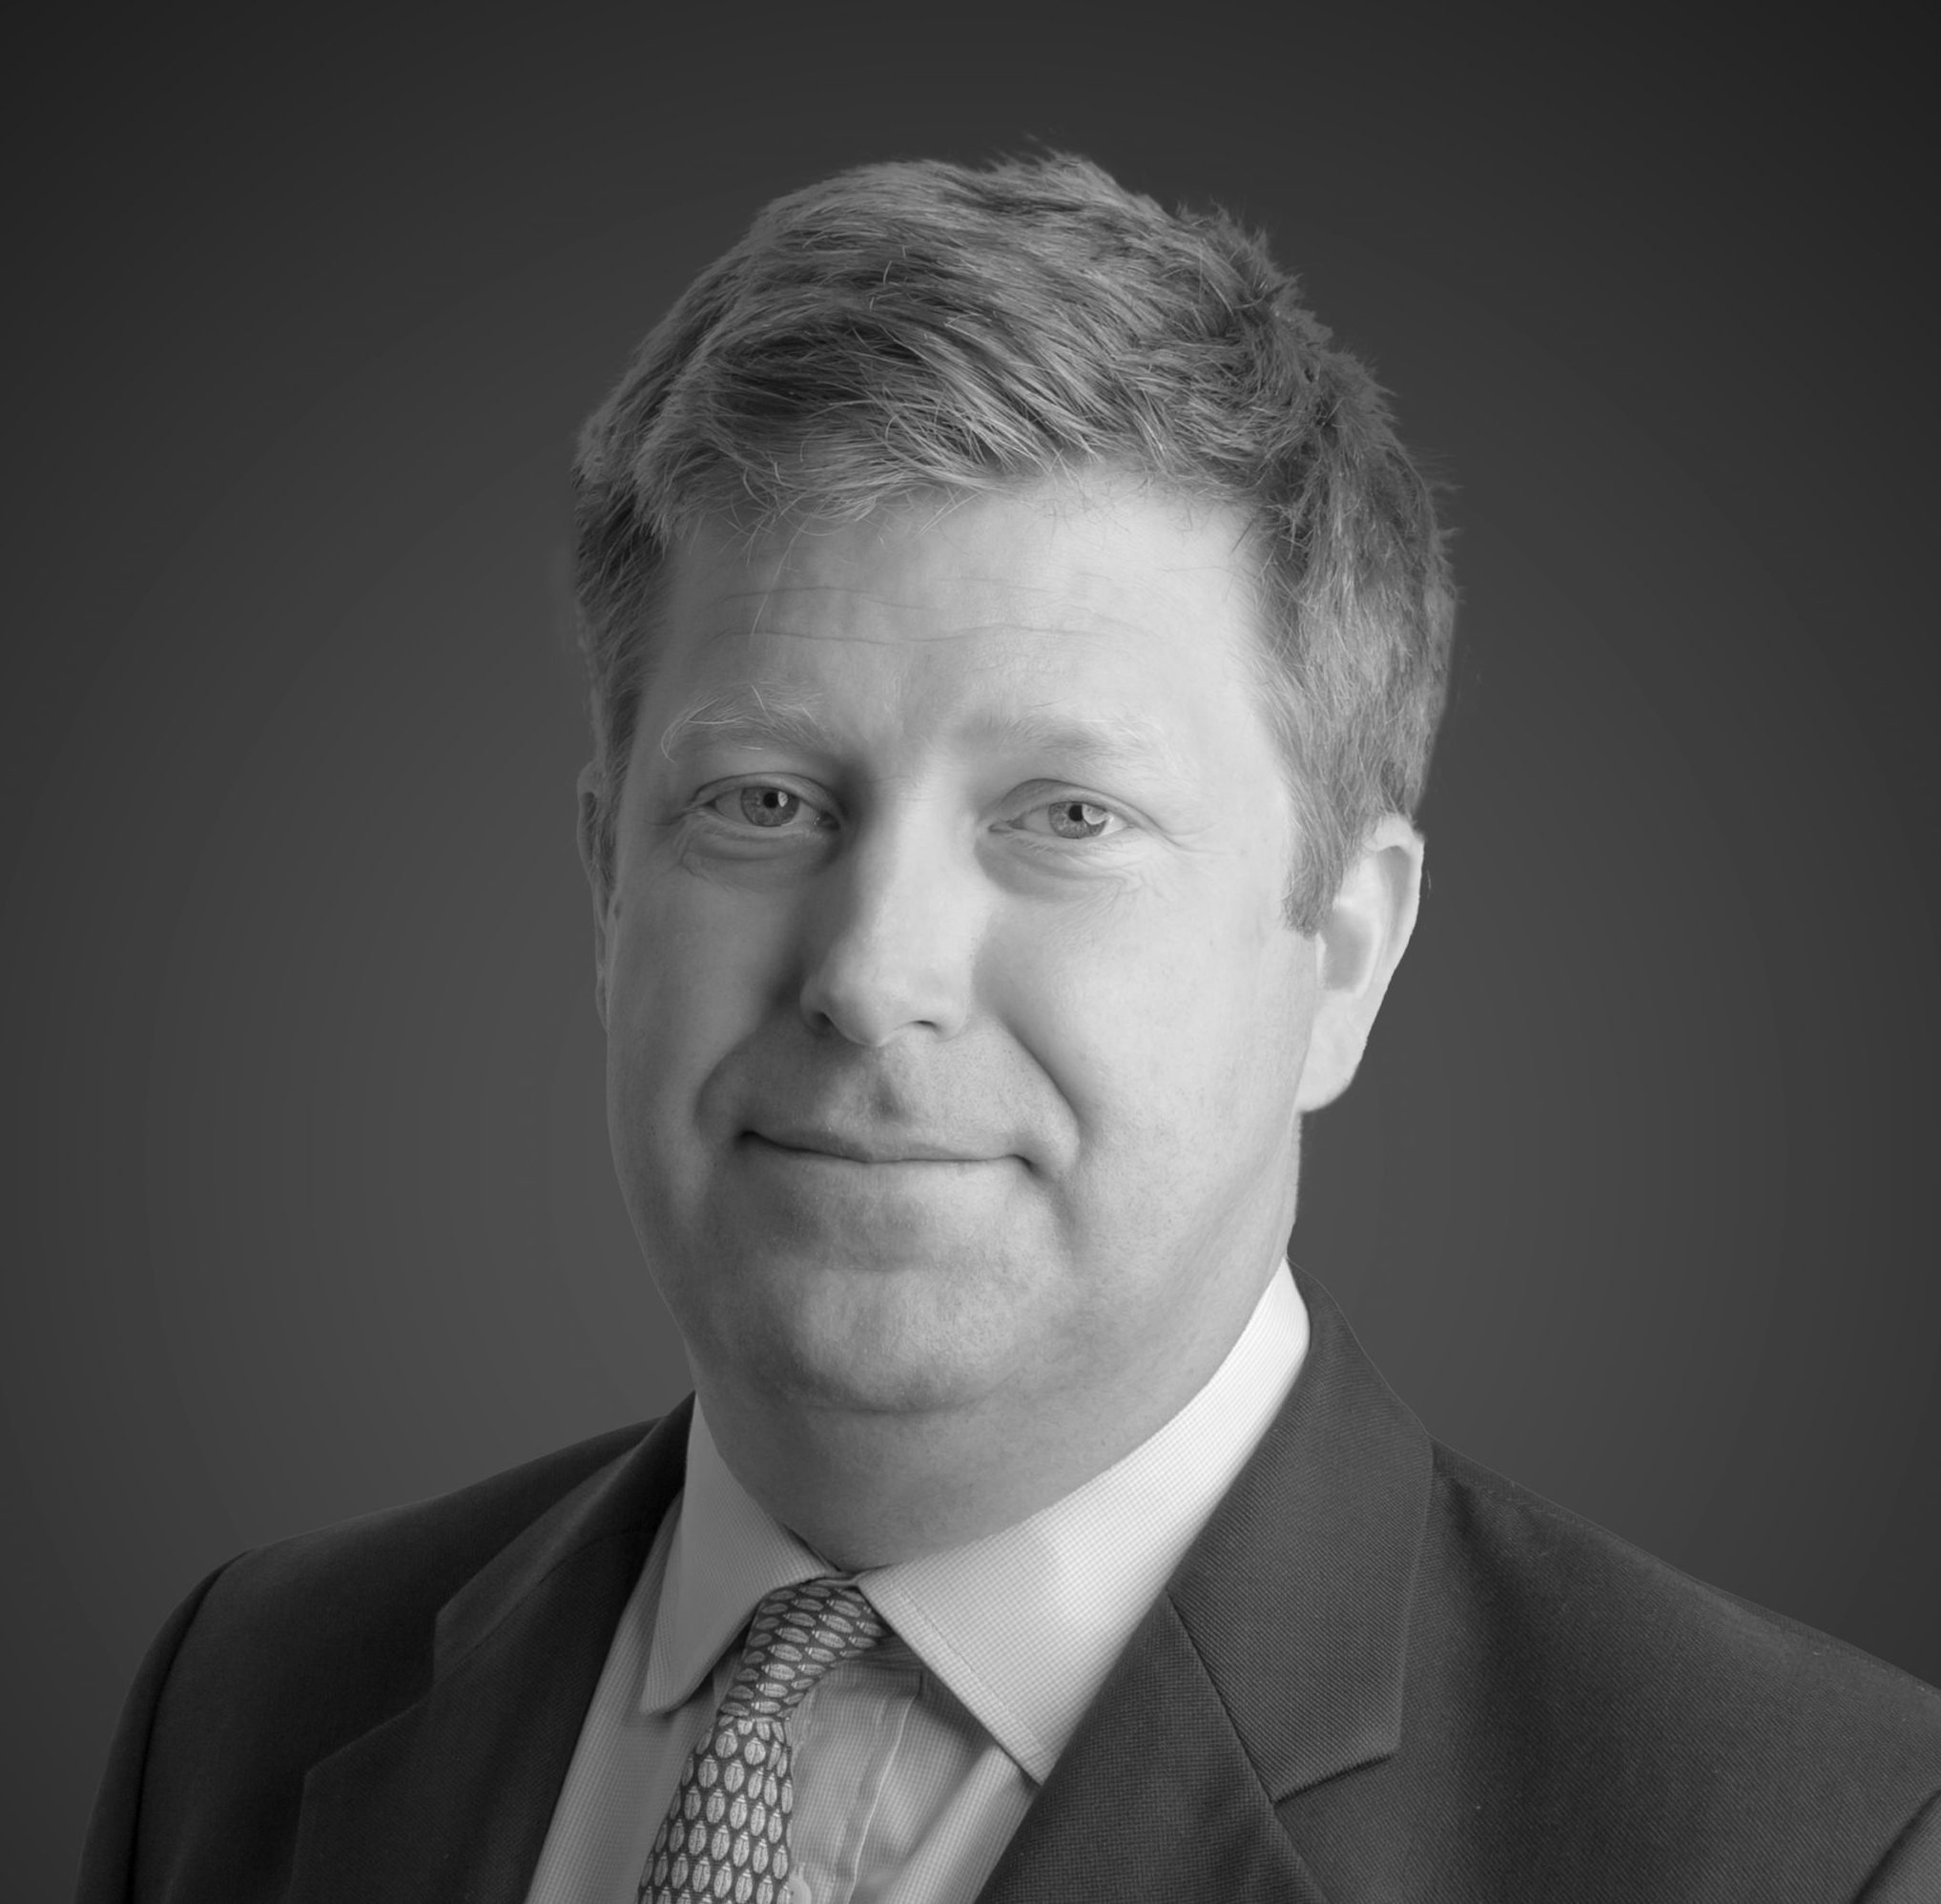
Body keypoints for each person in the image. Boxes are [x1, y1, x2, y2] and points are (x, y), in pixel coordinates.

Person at [77, 153, 1940, 1904]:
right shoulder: (245, 1700)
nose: (873, 971)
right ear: (606, 890)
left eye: (1065, 816)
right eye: (762, 802)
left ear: (1346, 952)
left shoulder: (1813, 1844)